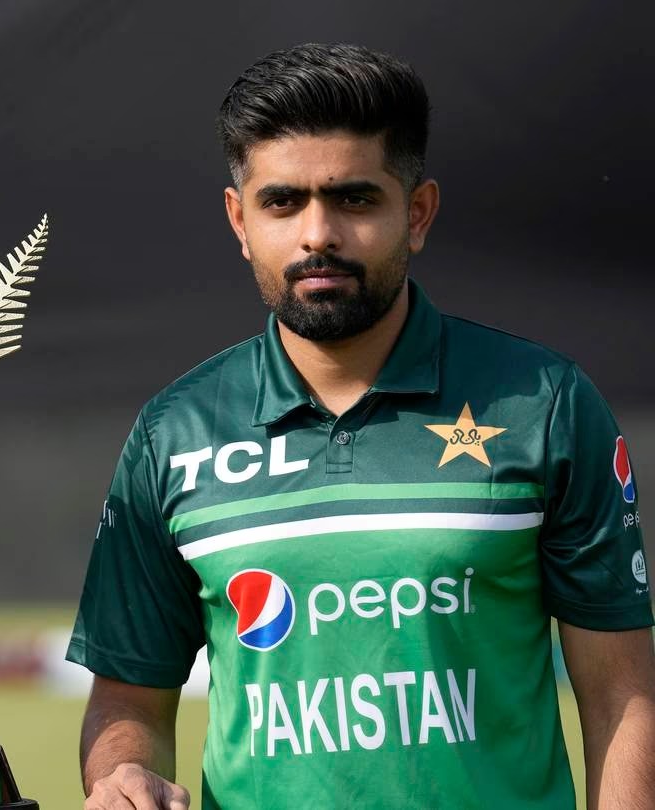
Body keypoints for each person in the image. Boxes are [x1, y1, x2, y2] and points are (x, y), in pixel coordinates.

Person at [67, 43, 654, 809]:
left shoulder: (543, 403)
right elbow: (128, 703)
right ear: (239, 220)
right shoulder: (173, 432)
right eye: (282, 202)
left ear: (417, 213)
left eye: (354, 199)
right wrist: (122, 777)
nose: (319, 235)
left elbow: (625, 701)